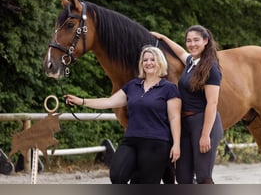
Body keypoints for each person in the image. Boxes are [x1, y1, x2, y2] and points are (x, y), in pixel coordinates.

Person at [64, 46, 181, 184]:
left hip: (156, 142)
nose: (148, 63)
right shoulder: (132, 86)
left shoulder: (169, 88)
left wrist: (176, 145)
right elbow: (108, 102)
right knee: (117, 176)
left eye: (152, 59)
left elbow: (174, 118)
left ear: (160, 62)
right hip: (131, 140)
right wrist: (81, 101)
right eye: (145, 60)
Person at [151, 25, 223, 184]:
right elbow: (180, 52)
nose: (192, 44)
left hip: (203, 123)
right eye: (188, 40)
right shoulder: (191, 62)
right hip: (185, 124)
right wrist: (162, 37)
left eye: (196, 40)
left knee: (203, 177)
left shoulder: (211, 68)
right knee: (183, 178)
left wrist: (205, 135)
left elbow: (212, 103)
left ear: (206, 41)